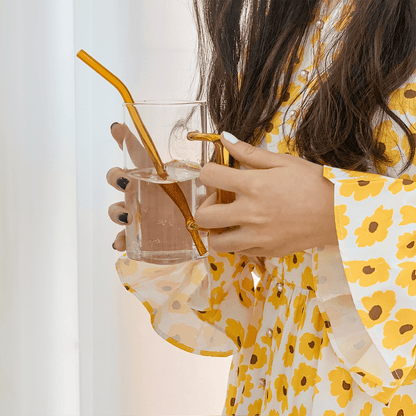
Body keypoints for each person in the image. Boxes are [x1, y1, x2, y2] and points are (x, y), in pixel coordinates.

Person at [107, 0, 416, 414]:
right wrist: (199, 213)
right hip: (278, 380)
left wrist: (339, 213)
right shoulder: (290, 14)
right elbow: (253, 284)